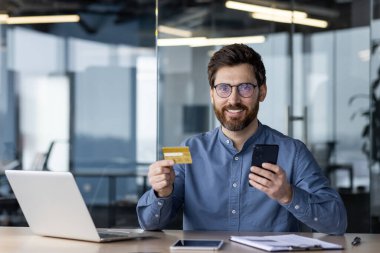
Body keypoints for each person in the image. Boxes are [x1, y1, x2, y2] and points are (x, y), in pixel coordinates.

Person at [136, 43, 347, 234]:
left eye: (245, 88)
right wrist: (161, 192)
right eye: (223, 88)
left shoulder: (293, 152)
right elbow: (149, 224)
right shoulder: (189, 149)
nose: (233, 99)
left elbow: (336, 223)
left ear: (262, 92)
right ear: (212, 94)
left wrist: (288, 195)